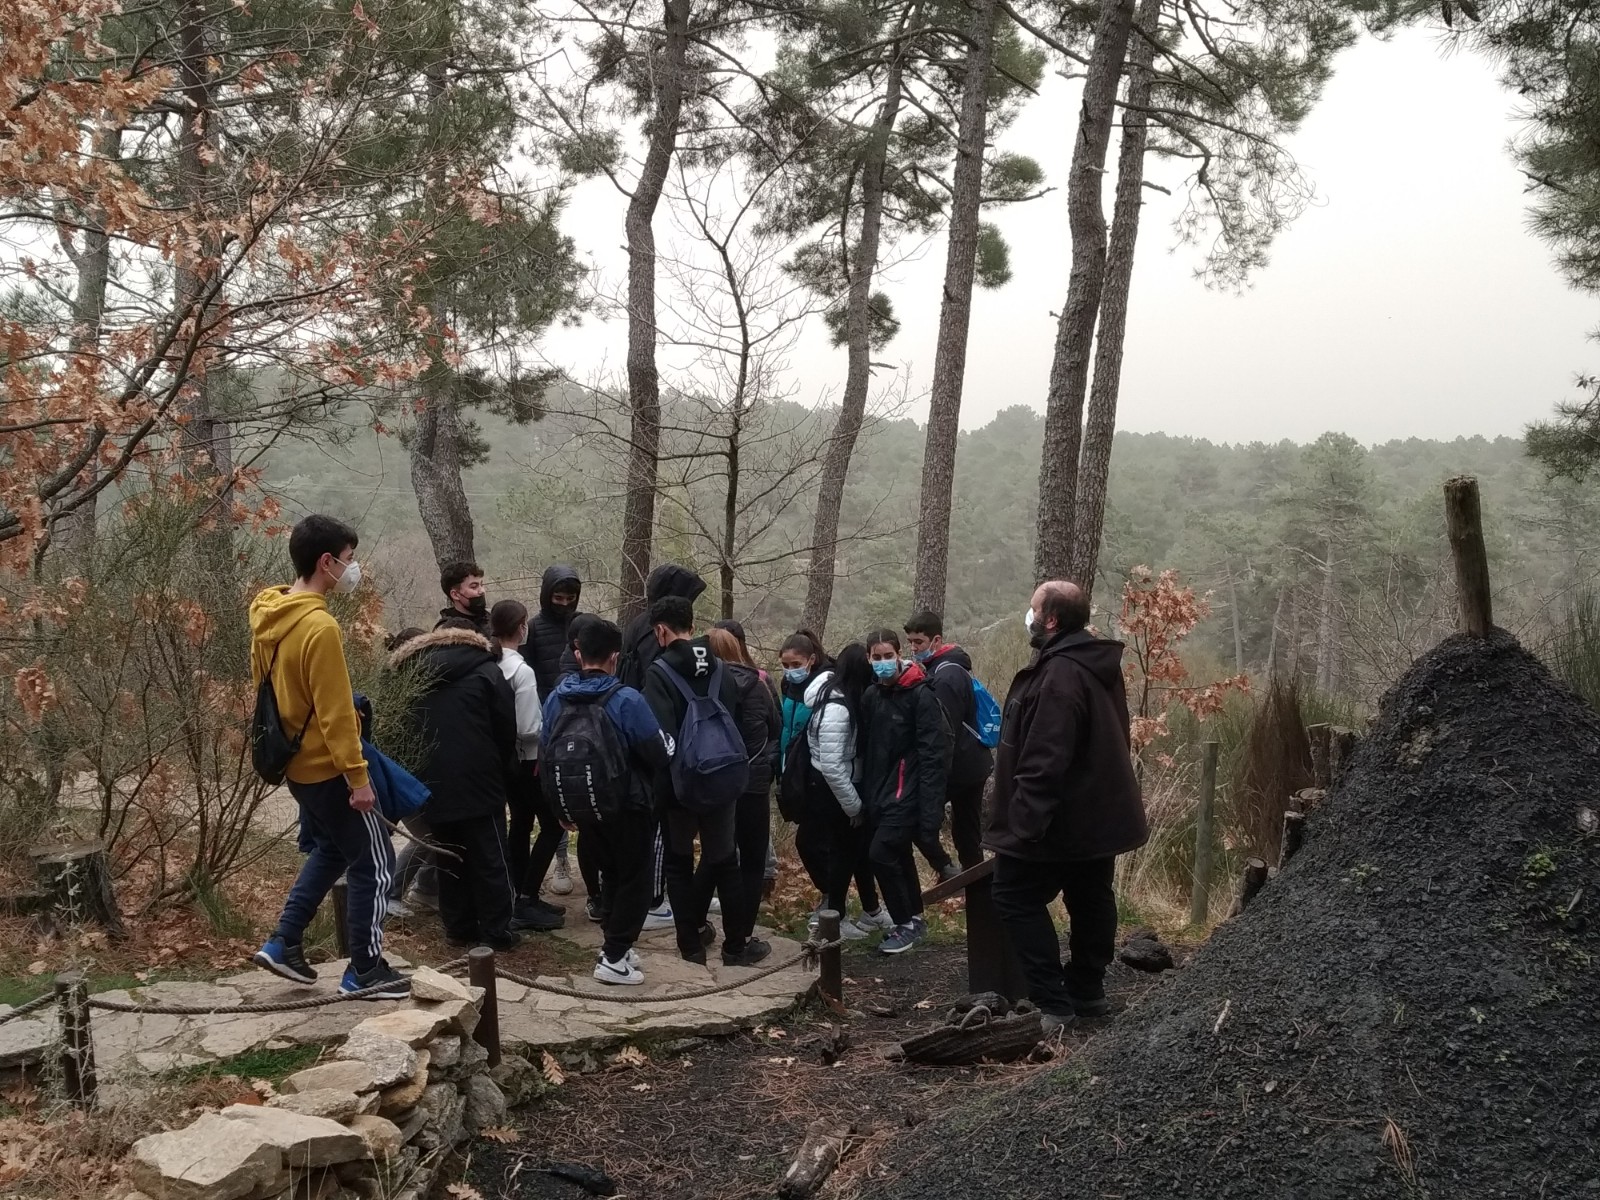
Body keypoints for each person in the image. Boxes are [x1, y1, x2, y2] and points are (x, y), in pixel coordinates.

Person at [249, 514, 408, 999]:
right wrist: (358, 779)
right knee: (375, 861)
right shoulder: (319, 626)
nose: (352, 568)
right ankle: (365, 970)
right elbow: (335, 714)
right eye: (348, 559)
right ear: (326, 562)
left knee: (334, 850)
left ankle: (284, 942)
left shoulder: (269, 614)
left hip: (296, 765)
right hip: (329, 769)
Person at [986, 581, 1148, 1033]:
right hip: (1096, 815)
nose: (1029, 616)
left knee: (1014, 894)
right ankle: (1087, 992)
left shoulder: (1060, 676)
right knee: (1091, 895)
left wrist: (1021, 826)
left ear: (1051, 620)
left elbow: (1045, 759)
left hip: (1060, 820)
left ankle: (1053, 1003)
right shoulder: (1092, 664)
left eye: (1033, 608)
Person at [542, 617, 672, 985]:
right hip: (628, 804)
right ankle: (614, 957)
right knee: (635, 879)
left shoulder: (555, 699)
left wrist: (558, 807)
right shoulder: (626, 699)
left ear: (578, 654)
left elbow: (546, 755)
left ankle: (615, 945)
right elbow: (656, 752)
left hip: (584, 805)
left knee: (611, 875)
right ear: (615, 657)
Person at [642, 595, 770, 966]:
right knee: (724, 860)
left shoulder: (659, 672)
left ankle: (691, 946)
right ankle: (736, 948)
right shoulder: (720, 668)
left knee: (679, 863)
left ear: (661, 631)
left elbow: (660, 737)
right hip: (721, 779)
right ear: (692, 626)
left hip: (680, 786)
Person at [389, 618, 521, 951]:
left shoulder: (413, 675)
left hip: (431, 781)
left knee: (449, 858)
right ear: (473, 640)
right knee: (491, 857)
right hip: (480, 779)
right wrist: (498, 767)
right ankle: (497, 931)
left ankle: (458, 929)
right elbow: (506, 728)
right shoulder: (488, 672)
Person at [777, 631, 885, 930]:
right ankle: (836, 916)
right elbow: (833, 766)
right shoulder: (837, 708)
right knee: (841, 852)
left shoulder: (838, 698)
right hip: (830, 790)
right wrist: (853, 806)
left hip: (834, 787)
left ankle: (870, 910)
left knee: (854, 851)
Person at [619, 563, 706, 927]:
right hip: (655, 737)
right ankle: (654, 901)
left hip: (641, 732)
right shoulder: (652, 634)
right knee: (658, 825)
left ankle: (657, 893)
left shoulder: (637, 625)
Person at [860, 628, 951, 954]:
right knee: (897, 855)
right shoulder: (872, 696)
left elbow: (933, 756)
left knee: (881, 854)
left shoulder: (920, 695)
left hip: (907, 792)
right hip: (880, 793)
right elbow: (870, 749)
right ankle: (913, 919)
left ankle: (904, 923)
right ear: (869, 658)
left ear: (899, 655)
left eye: (889, 655)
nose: (883, 662)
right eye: (877, 657)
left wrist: (931, 812)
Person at [491, 600, 565, 934]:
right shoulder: (522, 671)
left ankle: (520, 892)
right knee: (553, 825)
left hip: (506, 761)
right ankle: (527, 896)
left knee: (521, 823)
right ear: (521, 627)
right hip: (530, 759)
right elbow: (529, 727)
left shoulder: (494, 663)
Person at [705, 626, 779, 954]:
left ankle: (694, 928)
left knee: (714, 856)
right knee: (751, 860)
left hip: (714, 782)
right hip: (752, 782)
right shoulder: (759, 685)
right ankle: (742, 938)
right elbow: (775, 728)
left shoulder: (702, 688)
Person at [904, 610, 994, 871]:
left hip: (960, 766)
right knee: (967, 831)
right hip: (972, 762)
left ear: (936, 640)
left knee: (919, 819)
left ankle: (949, 872)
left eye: (919, 642)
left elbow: (943, 731)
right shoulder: (948, 668)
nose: (913, 648)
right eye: (910, 642)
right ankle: (974, 882)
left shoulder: (946, 677)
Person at [519, 565, 585, 896]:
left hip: (583, 722)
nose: (564, 603)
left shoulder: (582, 625)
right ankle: (560, 861)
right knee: (551, 797)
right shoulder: (533, 628)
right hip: (546, 722)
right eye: (558, 597)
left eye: (570, 598)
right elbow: (526, 678)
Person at [435, 561, 489, 634]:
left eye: (481, 585)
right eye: (474, 587)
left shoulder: (494, 621)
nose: (482, 591)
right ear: (455, 595)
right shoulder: (447, 633)